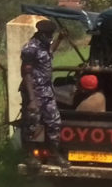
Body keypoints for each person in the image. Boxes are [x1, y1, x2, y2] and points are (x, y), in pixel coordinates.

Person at [20, 19, 68, 167]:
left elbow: (50, 52)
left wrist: (60, 39)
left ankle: (55, 154)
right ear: (41, 33)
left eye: (51, 34)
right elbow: (26, 73)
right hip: (33, 92)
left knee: (54, 123)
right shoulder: (30, 48)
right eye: (48, 34)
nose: (50, 37)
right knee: (32, 124)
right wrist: (32, 99)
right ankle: (30, 156)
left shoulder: (44, 45)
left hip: (47, 92)